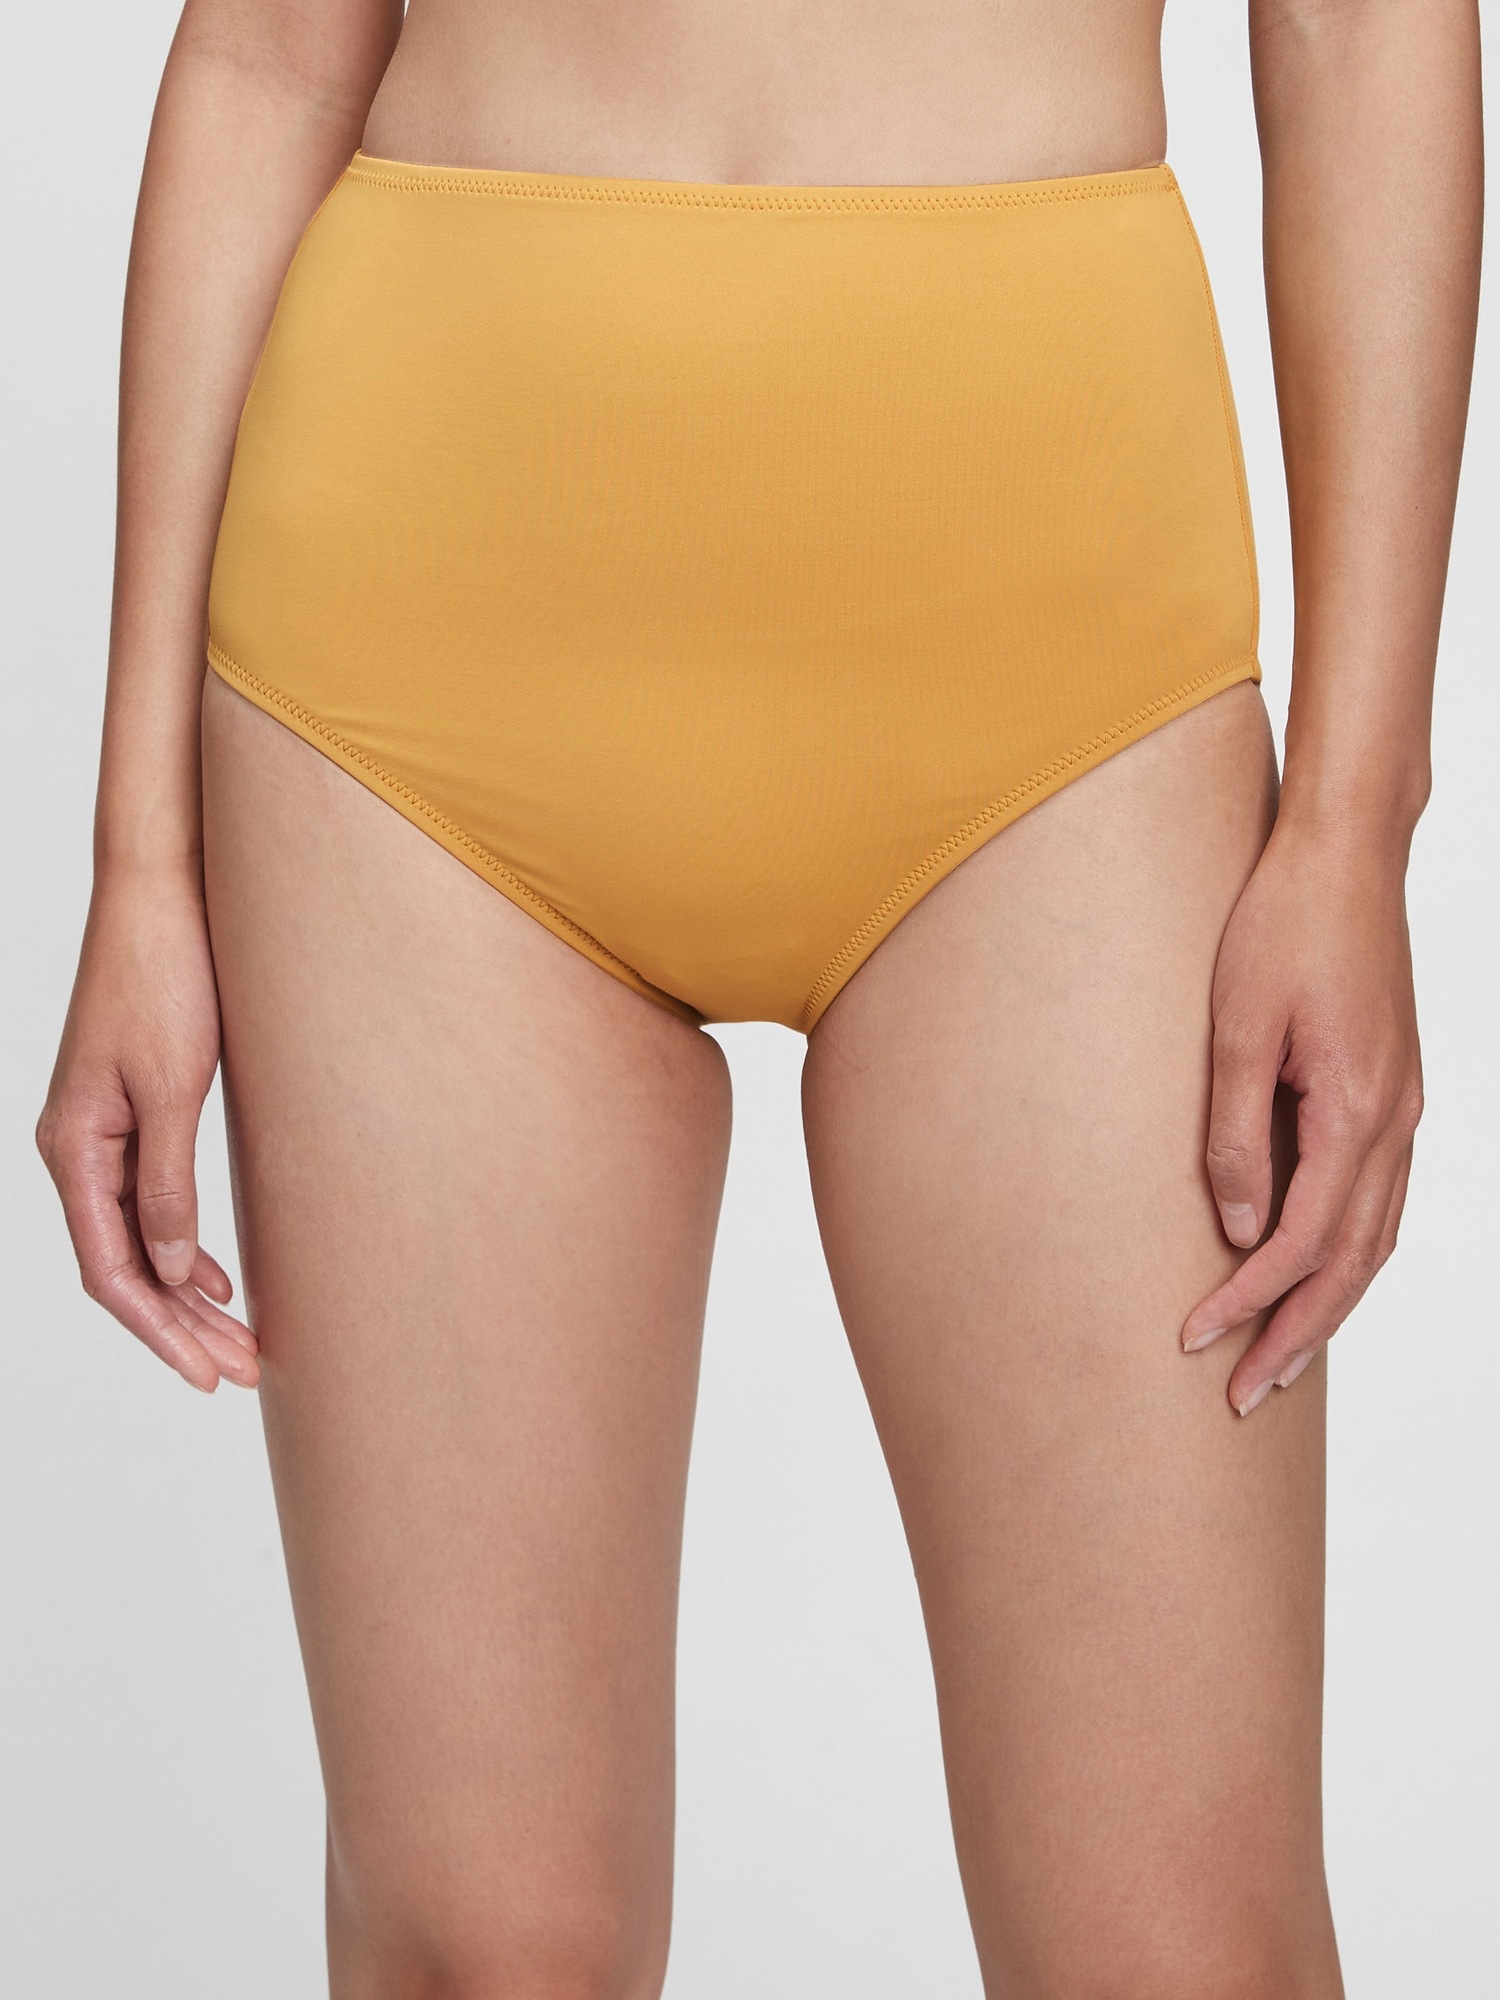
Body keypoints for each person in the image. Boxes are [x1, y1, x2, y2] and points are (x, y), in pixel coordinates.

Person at [37, 0, 1480, 1991]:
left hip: (1059, 667)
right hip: (415, 658)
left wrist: (1357, 818)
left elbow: (1362, 31)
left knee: (1181, 1950)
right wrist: (138, 857)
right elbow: (271, 54)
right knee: (481, 1952)